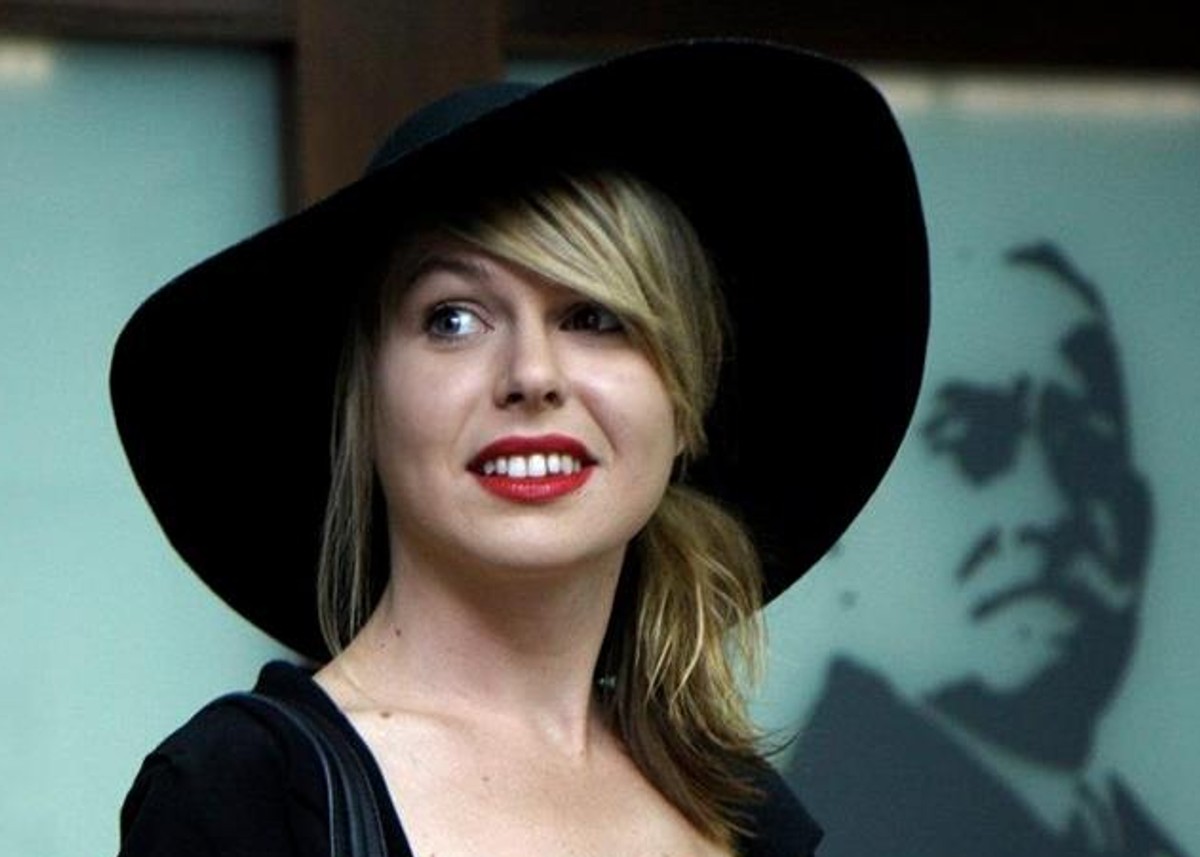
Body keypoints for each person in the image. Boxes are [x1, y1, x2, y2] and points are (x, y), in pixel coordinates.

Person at [110, 40, 928, 857]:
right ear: (365, 405)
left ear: (685, 403)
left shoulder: (738, 807)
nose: (532, 375)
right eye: (453, 318)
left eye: (594, 316)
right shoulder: (243, 795)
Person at [786, 241, 1189, 857]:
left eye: (1085, 449)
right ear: (844, 527)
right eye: (975, 445)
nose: (1046, 510)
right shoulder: (790, 832)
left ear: (1137, 520)